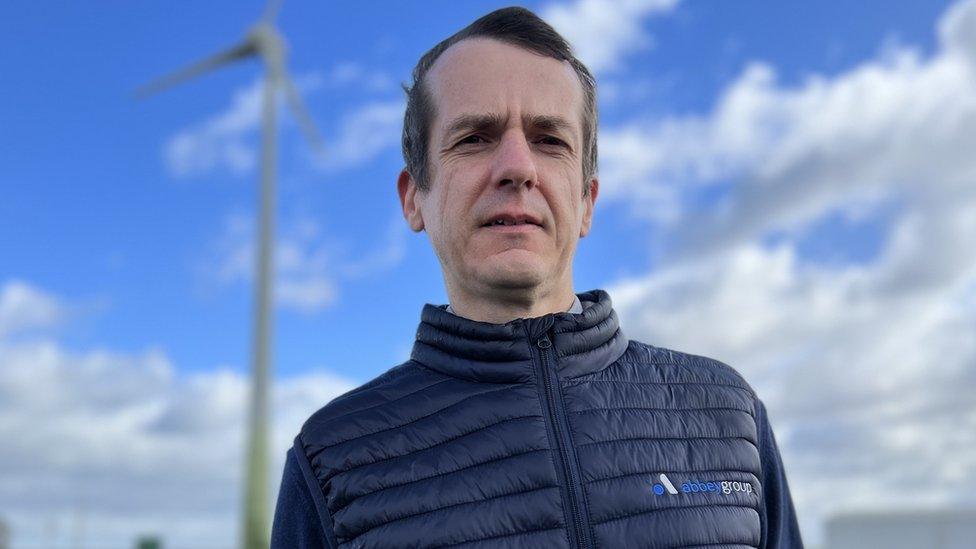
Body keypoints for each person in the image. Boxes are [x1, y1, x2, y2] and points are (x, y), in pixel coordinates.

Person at [271, 6, 802, 548]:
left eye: (550, 140)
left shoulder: (729, 415)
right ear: (414, 199)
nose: (518, 167)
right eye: (475, 137)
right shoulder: (333, 460)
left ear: (587, 201)